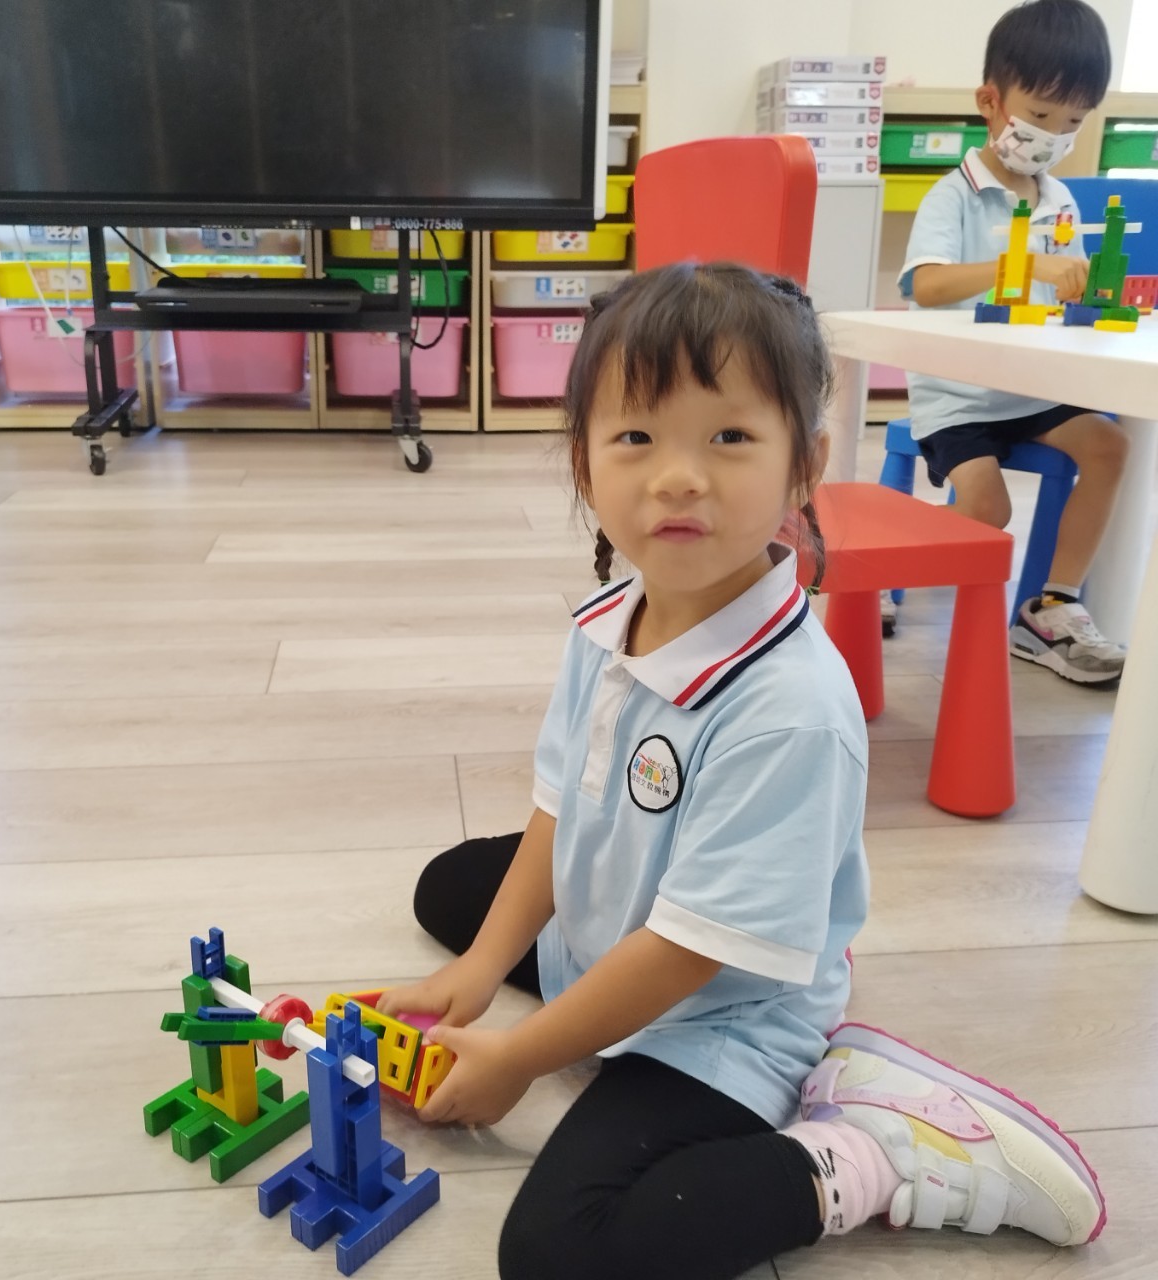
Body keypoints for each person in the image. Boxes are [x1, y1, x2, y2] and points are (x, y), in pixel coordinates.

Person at [377, 263, 1106, 1279]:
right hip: (629, 927)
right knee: (452, 890)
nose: (678, 477)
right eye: (636, 437)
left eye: (727, 437)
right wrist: (479, 965)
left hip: (722, 1012)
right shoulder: (607, 620)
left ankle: (872, 1152)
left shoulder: (791, 709)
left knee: (556, 1253)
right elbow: (560, 804)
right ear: (583, 461)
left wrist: (523, 1054)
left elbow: (684, 955)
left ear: (803, 465)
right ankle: (574, 973)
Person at [888, 0, 1127, 684]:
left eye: (1073, 122)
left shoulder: (1061, 202)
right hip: (959, 397)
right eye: (1042, 115)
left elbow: (1069, 289)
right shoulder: (955, 196)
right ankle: (893, 568)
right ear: (990, 102)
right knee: (986, 506)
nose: (1055, 135)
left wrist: (1084, 292)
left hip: (1032, 391)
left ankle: (1053, 606)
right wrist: (1018, 267)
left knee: (1109, 445)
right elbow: (924, 284)